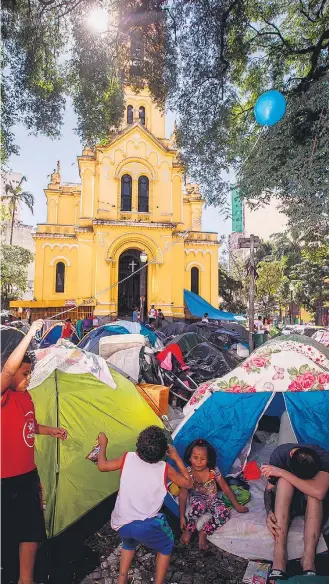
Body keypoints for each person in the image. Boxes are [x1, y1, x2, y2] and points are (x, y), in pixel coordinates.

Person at [1, 319, 67, 584]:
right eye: (24, 373)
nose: (28, 378)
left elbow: (28, 424)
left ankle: (25, 580)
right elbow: (7, 370)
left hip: (28, 476)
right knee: (8, 536)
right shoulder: (3, 395)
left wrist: (49, 430)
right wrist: (30, 332)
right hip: (4, 481)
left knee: (32, 532)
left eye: (30, 373)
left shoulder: (24, 396)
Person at [97, 426, 192, 584]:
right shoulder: (165, 469)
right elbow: (188, 483)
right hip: (145, 525)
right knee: (166, 545)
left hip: (121, 522)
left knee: (129, 543)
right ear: (163, 453)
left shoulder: (127, 458)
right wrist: (176, 458)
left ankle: (122, 578)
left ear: (138, 447)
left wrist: (103, 444)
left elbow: (102, 465)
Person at [262, 443, 329, 582]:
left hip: (311, 504)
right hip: (288, 501)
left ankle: (308, 560)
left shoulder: (322, 457)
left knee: (314, 494)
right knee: (284, 483)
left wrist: (281, 472)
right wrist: (269, 512)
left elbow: (320, 492)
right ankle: (279, 558)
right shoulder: (280, 454)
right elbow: (269, 489)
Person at [179, 438, 249, 550]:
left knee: (224, 513)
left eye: (202, 458)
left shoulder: (213, 471)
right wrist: (182, 516)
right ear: (189, 458)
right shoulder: (188, 473)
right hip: (197, 498)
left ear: (208, 460)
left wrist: (237, 506)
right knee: (199, 505)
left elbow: (225, 488)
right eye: (195, 458)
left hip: (212, 499)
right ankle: (189, 529)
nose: (198, 462)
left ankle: (204, 531)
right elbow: (182, 494)